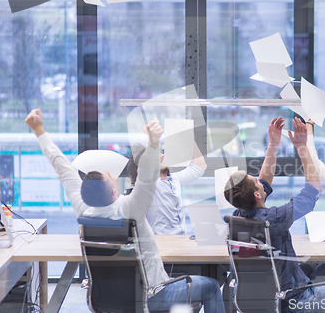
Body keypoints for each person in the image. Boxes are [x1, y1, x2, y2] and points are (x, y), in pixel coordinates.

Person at [25, 109, 224, 313]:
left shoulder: (82, 208)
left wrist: (39, 131)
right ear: (113, 190)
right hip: (154, 296)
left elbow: (63, 168)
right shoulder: (132, 209)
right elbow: (147, 177)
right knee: (212, 287)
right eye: (110, 175)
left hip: (105, 299)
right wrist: (153, 143)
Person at [224, 117, 325, 313]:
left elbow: (264, 182)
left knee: (310, 271)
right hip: (293, 300)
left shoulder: (238, 216)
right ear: (257, 194)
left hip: (258, 301)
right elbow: (314, 190)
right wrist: (301, 147)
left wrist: (273, 144)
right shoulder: (274, 219)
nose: (259, 179)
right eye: (255, 180)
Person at [126, 140, 207, 235]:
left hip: (180, 239)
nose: (162, 156)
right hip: (160, 242)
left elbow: (200, 166)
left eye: (161, 152)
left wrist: (189, 138)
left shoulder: (174, 179)